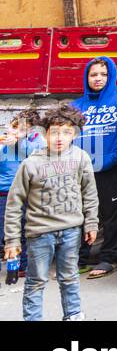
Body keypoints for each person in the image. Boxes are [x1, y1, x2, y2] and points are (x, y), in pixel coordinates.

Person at [4, 104, 98, 322]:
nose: (59, 137)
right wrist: (11, 241)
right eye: (54, 131)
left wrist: (91, 223)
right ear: (45, 133)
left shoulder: (81, 158)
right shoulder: (30, 164)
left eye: (66, 132)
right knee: (36, 280)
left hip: (71, 231)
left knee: (70, 277)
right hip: (40, 233)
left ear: (74, 134)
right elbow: (14, 203)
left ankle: (73, 315)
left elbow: (89, 193)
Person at [71, 57, 117, 280]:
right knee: (79, 215)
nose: (98, 78)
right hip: (80, 171)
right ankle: (79, 260)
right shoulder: (76, 105)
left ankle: (108, 258)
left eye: (103, 74)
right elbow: (66, 135)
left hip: (111, 167)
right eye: (93, 75)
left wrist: (111, 158)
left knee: (112, 215)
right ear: (86, 78)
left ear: (111, 76)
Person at [0, 109, 45, 279]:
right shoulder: (4, 144)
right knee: (5, 230)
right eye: (14, 127)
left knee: (25, 230)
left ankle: (23, 265)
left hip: (26, 193)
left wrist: (18, 141)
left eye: (22, 129)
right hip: (4, 192)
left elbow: (38, 154)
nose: (15, 132)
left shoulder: (35, 142)